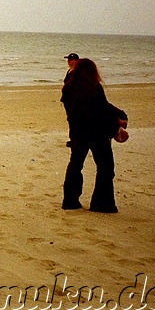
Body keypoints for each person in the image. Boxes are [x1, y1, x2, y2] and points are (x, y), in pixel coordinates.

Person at [61, 58, 128, 213]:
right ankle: (101, 203)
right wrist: (117, 122)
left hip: (77, 132)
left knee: (76, 166)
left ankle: (70, 201)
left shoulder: (68, 88)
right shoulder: (93, 88)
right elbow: (101, 109)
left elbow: (97, 109)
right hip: (96, 134)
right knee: (105, 168)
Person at [62, 53, 79, 147]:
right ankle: (73, 138)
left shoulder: (77, 72)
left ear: (76, 61)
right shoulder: (70, 71)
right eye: (68, 60)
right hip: (67, 100)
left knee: (73, 119)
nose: (68, 62)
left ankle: (74, 139)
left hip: (73, 100)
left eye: (70, 60)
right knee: (70, 119)